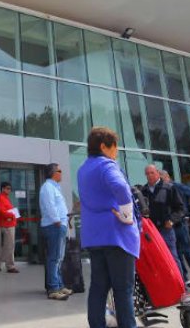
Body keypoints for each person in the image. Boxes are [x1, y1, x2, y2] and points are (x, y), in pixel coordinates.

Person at [79, 127, 139, 328]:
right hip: (116, 237)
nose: (116, 152)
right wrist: (127, 215)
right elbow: (121, 188)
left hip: (95, 237)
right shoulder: (107, 165)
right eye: (115, 147)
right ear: (104, 146)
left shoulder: (83, 169)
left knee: (98, 287)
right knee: (123, 290)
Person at [141, 165, 185, 279]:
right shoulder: (143, 191)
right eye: (147, 173)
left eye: (152, 173)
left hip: (166, 230)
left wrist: (171, 220)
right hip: (151, 232)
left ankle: (180, 286)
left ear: (158, 173)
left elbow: (180, 209)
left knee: (172, 257)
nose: (150, 175)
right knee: (155, 260)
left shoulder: (169, 188)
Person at [159, 170, 190, 286]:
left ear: (167, 176)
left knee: (186, 250)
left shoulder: (176, 186)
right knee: (177, 252)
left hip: (181, 223)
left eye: (161, 177)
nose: (160, 180)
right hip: (172, 223)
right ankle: (184, 276)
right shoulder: (163, 190)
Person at [39, 162, 71, 300]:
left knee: (59, 258)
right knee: (54, 258)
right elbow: (50, 205)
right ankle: (53, 288)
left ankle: (59, 285)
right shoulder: (47, 187)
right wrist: (57, 221)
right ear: (53, 173)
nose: (61, 173)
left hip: (60, 225)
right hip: (54, 226)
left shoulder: (55, 187)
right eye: (60, 170)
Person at [0, 181, 19, 273]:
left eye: (10, 189)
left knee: (9, 245)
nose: (9, 190)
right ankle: (9, 266)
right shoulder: (1, 198)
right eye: (7, 188)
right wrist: (12, 214)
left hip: (10, 223)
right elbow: (1, 211)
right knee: (9, 246)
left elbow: (7, 210)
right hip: (7, 224)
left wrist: (13, 214)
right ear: (3, 188)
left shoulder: (6, 198)